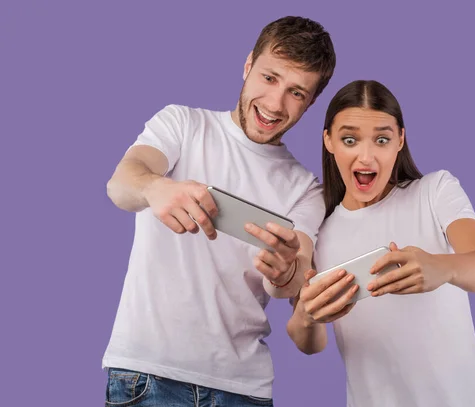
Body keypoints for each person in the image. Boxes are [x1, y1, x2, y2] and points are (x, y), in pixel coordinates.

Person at [102, 16, 336, 406]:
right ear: (248, 66)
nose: (275, 104)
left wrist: (287, 272)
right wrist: (156, 187)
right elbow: (121, 184)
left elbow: (295, 275)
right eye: (269, 78)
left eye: (297, 93)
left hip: (243, 389)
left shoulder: (306, 189)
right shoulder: (182, 124)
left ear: (310, 103)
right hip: (148, 374)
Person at [287, 80, 475, 407]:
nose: (366, 156)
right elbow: (310, 343)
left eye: (382, 140)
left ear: (400, 139)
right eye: (349, 139)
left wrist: (441, 268)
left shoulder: (434, 191)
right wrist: (307, 315)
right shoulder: (319, 234)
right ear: (328, 140)